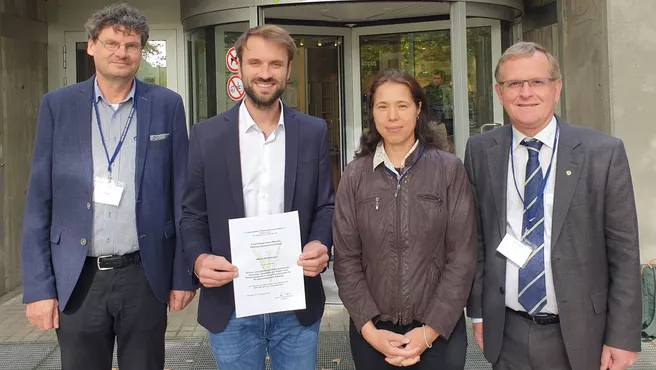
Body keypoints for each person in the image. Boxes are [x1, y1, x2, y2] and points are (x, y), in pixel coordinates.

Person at [20, 3, 196, 370]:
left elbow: (182, 196)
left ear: (141, 51)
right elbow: (40, 201)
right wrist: (38, 289)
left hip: (144, 275)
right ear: (91, 46)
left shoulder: (167, 105)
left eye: (131, 45)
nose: (122, 52)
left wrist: (183, 275)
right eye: (112, 42)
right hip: (78, 276)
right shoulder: (58, 106)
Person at [465, 41, 641, 370]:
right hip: (507, 331)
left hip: (582, 333)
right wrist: (478, 311)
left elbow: (625, 251)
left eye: (537, 82)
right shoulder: (480, 150)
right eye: (514, 84)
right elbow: (477, 239)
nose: (525, 92)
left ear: (556, 88)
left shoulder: (602, 153)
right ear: (499, 93)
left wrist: (623, 335)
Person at [179, 24, 334, 370]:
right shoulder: (207, 136)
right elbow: (191, 213)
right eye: (256, 63)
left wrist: (321, 243)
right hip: (230, 302)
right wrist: (198, 259)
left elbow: (326, 204)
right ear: (239, 65)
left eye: (275, 64)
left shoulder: (312, 132)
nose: (265, 74)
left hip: (295, 300)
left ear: (288, 69)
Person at [333, 69, 477, 369]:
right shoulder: (355, 174)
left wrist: (430, 331)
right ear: (372, 112)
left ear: (418, 108)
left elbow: (462, 257)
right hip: (373, 332)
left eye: (402, 105)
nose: (392, 116)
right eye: (382, 106)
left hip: (438, 331)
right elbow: (346, 258)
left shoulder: (448, 170)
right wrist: (370, 331)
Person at [423, 70, 453, 135]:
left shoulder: (446, 89)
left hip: (445, 115)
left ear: (441, 79)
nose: (436, 80)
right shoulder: (426, 90)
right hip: (430, 115)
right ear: (431, 79)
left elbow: (451, 102)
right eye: (434, 78)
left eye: (438, 78)